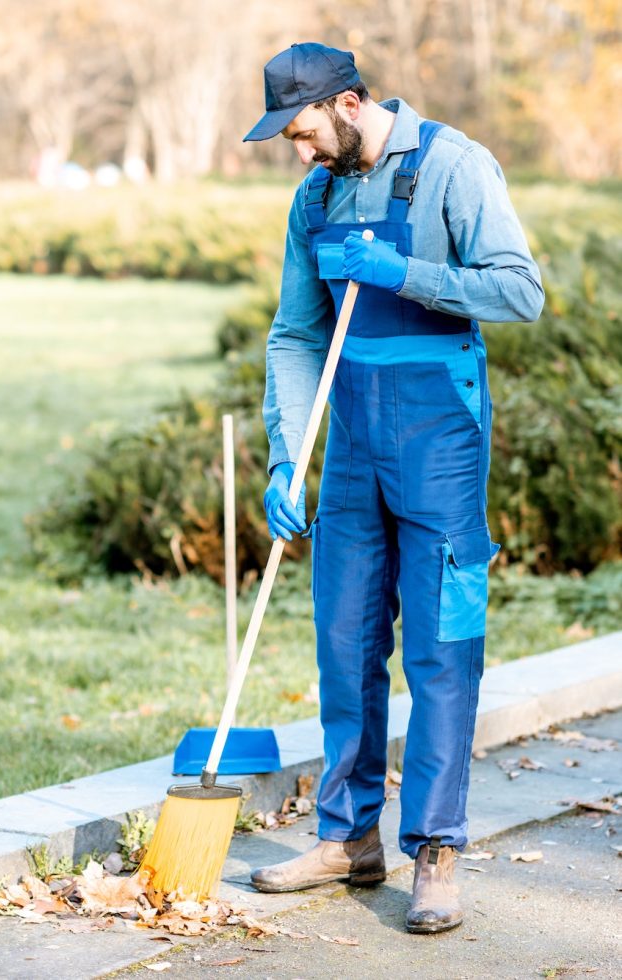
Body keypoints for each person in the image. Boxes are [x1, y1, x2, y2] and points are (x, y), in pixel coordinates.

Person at [243, 42, 544, 934]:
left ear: (346, 104)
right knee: (344, 641)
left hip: (440, 443)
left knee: (442, 651)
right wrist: (284, 452)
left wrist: (402, 274)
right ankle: (349, 839)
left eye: (301, 132)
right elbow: (297, 336)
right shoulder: (317, 196)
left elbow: (520, 292)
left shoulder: (454, 166)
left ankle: (436, 852)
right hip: (355, 452)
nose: (298, 153)